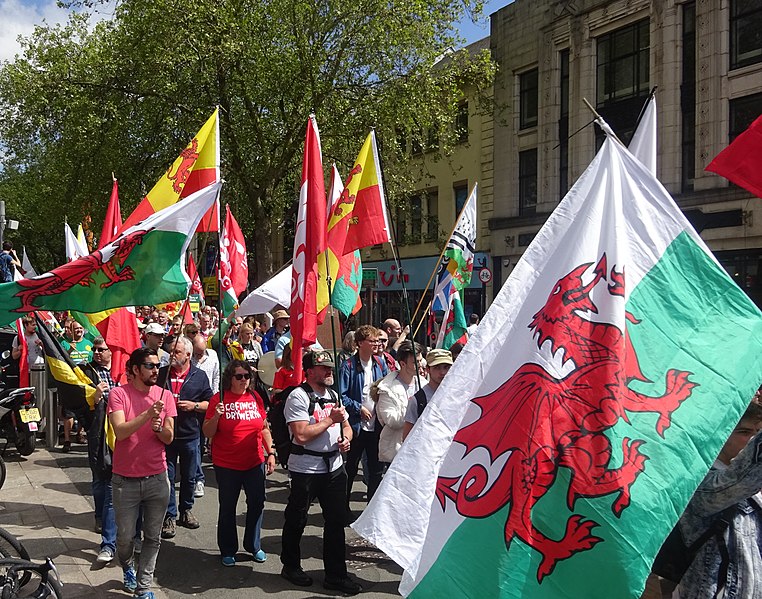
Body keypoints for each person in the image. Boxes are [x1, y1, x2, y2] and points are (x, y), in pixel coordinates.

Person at [280, 350, 360, 595]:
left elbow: (346, 427)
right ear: (309, 371)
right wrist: (329, 421)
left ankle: (336, 575)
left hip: (334, 468)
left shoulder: (334, 395)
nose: (328, 372)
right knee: (298, 518)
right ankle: (291, 565)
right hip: (305, 468)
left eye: (330, 368)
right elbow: (301, 435)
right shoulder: (298, 396)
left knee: (336, 521)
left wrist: (345, 439)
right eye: (323, 367)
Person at [672, 401, 762, 599]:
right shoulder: (698, 484)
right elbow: (737, 479)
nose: (752, 439)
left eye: (757, 431)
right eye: (744, 432)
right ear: (719, 435)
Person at [107, 347, 176, 599]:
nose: (156, 370)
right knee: (125, 538)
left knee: (153, 536)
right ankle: (127, 566)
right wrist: (148, 414)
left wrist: (159, 428)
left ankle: (144, 586)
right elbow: (121, 431)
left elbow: (169, 437)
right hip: (125, 480)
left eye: (158, 365)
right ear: (135, 370)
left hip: (157, 478)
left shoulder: (165, 395)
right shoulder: (118, 394)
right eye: (150, 366)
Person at [203, 360, 275, 566]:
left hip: (254, 461)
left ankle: (253, 545)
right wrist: (216, 415)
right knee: (227, 507)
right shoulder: (219, 399)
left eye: (247, 376)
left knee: (257, 503)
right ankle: (228, 549)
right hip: (227, 464)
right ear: (230, 378)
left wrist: (270, 452)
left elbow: (264, 428)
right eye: (239, 376)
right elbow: (207, 432)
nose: (244, 380)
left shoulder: (255, 397)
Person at [157, 337, 212, 539]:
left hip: (190, 435)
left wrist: (194, 406)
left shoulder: (200, 376)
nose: (172, 355)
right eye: (171, 351)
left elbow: (211, 403)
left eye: (177, 352)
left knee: (189, 477)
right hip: (167, 434)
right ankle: (169, 516)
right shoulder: (161, 375)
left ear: (188, 355)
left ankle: (185, 510)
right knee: (168, 478)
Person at [339, 324, 387, 517]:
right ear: (360, 343)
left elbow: (385, 389)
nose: (376, 344)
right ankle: (343, 509)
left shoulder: (380, 364)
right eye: (372, 340)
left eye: (377, 340)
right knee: (350, 468)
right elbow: (341, 395)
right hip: (356, 427)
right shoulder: (349, 366)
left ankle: (372, 512)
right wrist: (358, 408)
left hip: (376, 427)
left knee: (375, 470)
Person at [80, 338, 118, 563]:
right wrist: (93, 398)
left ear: (111, 351)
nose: (96, 352)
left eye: (101, 349)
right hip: (98, 433)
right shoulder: (87, 372)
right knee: (99, 479)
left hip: (120, 433)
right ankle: (99, 515)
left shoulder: (123, 371)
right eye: (94, 349)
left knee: (112, 485)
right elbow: (78, 403)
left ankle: (111, 537)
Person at [375, 341, 424, 465]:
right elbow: (391, 421)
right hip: (396, 452)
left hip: (420, 449)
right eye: (415, 362)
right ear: (402, 364)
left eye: (420, 361)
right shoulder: (387, 388)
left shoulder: (424, 384)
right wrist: (413, 407)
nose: (420, 365)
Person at [191, 333, 219, 498]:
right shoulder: (190, 359)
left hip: (210, 402)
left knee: (207, 438)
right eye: (197, 352)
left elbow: (216, 377)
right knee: (197, 443)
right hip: (195, 403)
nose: (199, 355)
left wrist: (214, 399)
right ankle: (198, 478)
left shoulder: (213, 355)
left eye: (202, 352)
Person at [402, 348, 453, 440]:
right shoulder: (418, 400)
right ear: (428, 369)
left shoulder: (457, 396)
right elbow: (407, 438)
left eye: (446, 367)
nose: (443, 372)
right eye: (437, 367)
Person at [60, 322, 94, 451]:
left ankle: (79, 433)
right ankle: (67, 440)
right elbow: (61, 360)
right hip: (69, 382)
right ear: (71, 330)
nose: (79, 330)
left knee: (83, 411)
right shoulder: (64, 343)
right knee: (68, 413)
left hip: (84, 383)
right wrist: (69, 349)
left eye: (80, 328)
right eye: (76, 328)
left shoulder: (89, 344)